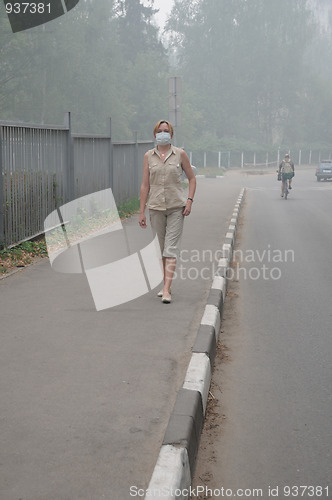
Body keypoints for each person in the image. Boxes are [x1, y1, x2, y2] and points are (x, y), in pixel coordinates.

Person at [139, 120, 196, 304]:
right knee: (161, 250)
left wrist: (189, 201)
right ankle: (166, 283)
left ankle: (166, 290)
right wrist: (141, 212)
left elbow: (192, 179)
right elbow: (145, 185)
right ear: (155, 134)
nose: (163, 133)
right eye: (160, 131)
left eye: (166, 131)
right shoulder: (148, 156)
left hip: (176, 208)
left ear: (171, 135)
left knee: (171, 249)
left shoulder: (180, 154)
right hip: (155, 207)